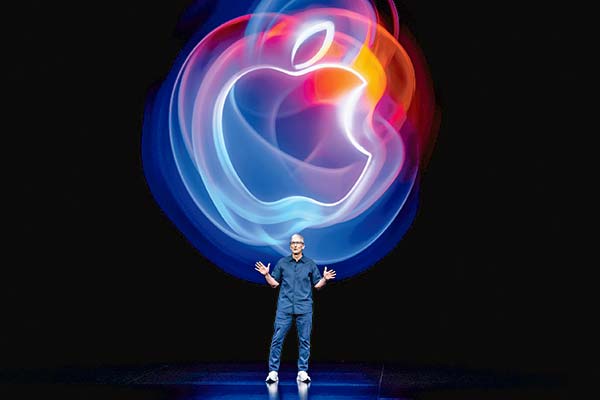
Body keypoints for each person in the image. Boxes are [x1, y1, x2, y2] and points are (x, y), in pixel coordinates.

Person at [255, 233, 336, 383]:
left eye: (298, 242)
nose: (295, 245)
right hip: (284, 307)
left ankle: (302, 372)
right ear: (290, 245)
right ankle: (273, 372)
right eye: (293, 242)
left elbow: (317, 286)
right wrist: (266, 275)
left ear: (303, 246)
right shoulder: (282, 263)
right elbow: (274, 284)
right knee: (277, 339)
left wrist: (324, 279)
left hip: (304, 308)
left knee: (304, 340)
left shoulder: (310, 264)